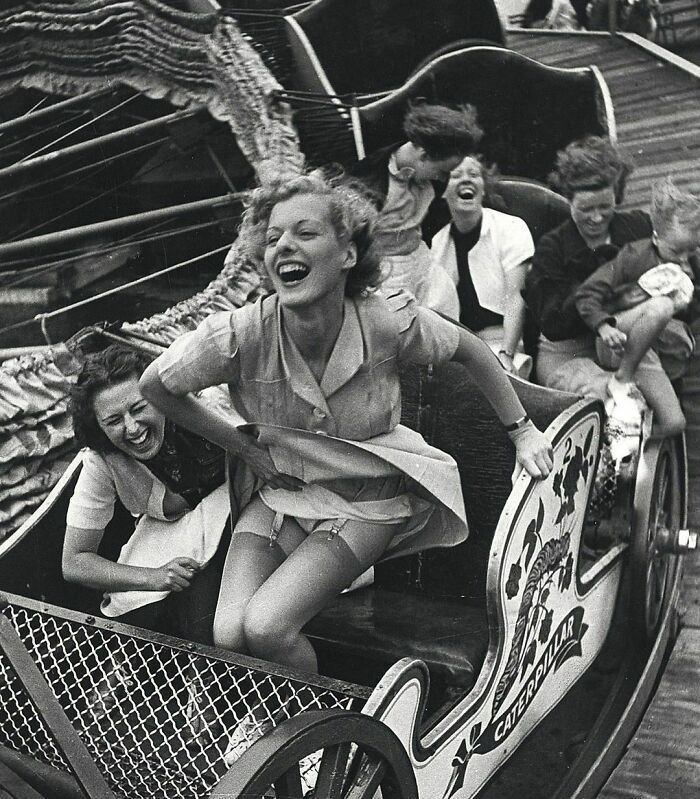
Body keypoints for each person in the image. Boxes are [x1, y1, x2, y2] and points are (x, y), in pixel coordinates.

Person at [139, 173, 553, 681]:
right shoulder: (240, 333)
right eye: (272, 238)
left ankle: (325, 739)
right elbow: (155, 386)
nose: (284, 244)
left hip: (367, 501)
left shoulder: (383, 320)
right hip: (281, 496)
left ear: (348, 254)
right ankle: (284, 729)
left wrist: (522, 430)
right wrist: (239, 447)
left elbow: (471, 350)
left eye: (305, 233)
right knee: (229, 635)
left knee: (268, 628)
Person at [62, 345, 231, 645]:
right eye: (113, 421)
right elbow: (74, 561)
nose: (132, 428)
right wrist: (153, 576)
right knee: (143, 609)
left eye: (138, 408)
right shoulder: (102, 457)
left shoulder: (210, 405)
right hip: (173, 532)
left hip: (240, 509)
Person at [524, 135, 652, 400]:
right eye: (585, 208)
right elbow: (553, 324)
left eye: (605, 206)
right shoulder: (552, 248)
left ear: (617, 195)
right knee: (607, 393)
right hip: (568, 353)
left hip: (626, 344)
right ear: (568, 199)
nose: (596, 217)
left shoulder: (638, 227)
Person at [574, 179, 699, 436]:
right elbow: (587, 293)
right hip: (617, 339)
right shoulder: (633, 255)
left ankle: (628, 438)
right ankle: (621, 380)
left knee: (676, 424)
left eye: (692, 250)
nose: (685, 258)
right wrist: (603, 326)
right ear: (655, 237)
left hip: (647, 350)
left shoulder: (692, 265)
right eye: (677, 251)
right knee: (661, 306)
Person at [351, 101, 483, 314]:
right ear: (423, 156)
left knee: (444, 321)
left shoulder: (434, 177)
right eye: (443, 170)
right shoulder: (368, 181)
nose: (444, 178)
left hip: (422, 261)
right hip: (385, 272)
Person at [430, 155, 535, 377]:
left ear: (484, 189)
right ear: (442, 191)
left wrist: (507, 355)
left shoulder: (511, 228)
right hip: (459, 349)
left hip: (505, 343)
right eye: (455, 175)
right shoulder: (438, 243)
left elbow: (516, 297)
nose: (465, 180)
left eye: (474, 175)